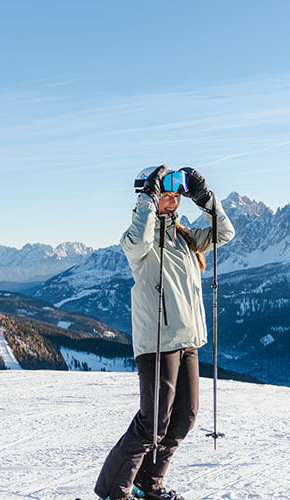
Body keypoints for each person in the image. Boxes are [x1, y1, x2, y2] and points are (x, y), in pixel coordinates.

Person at [95, 166, 235, 500]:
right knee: (153, 422)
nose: (171, 203)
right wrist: (148, 199)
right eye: (165, 196)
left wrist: (206, 199)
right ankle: (113, 492)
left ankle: (149, 482)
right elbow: (140, 239)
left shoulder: (186, 239)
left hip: (188, 341)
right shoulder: (137, 241)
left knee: (185, 418)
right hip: (156, 343)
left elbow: (225, 232)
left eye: (176, 197)